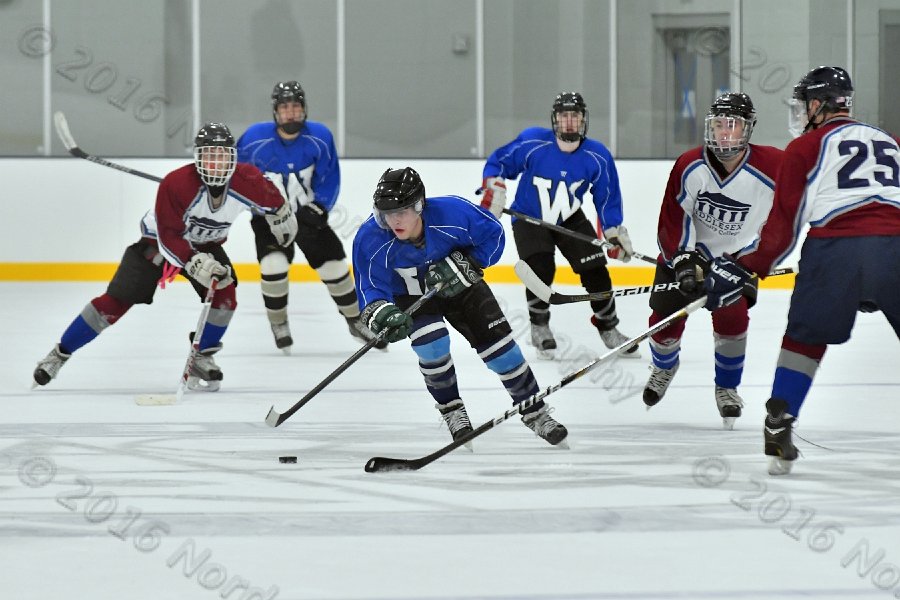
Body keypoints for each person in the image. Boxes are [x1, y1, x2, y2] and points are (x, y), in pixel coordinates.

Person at [702, 66, 900, 474]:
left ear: (817, 104)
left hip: (835, 248)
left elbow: (782, 231)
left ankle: (780, 417)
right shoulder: (889, 141)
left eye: (802, 104)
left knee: (804, 338)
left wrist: (747, 267)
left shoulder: (807, 147)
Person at [32, 123, 298, 390]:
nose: (216, 163)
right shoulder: (177, 184)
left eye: (222, 155)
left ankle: (201, 358)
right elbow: (169, 235)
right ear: (198, 158)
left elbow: (272, 199)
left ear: (233, 157)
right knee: (116, 301)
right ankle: (59, 353)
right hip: (158, 243)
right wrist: (192, 262)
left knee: (225, 296)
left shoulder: (247, 179)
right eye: (209, 155)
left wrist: (282, 213)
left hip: (206, 244)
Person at [352, 167, 568, 447]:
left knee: (503, 353)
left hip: (464, 289)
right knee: (432, 346)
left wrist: (471, 262)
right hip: (411, 297)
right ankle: (453, 411)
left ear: (419, 205)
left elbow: (494, 234)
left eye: (402, 211)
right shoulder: (370, 237)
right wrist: (380, 311)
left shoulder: (453, 213)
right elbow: (369, 285)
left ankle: (536, 413)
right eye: (386, 213)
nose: (394, 220)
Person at [642, 93, 783, 429]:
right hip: (689, 257)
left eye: (732, 126)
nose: (724, 133)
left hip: (736, 261)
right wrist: (684, 260)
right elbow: (672, 219)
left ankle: (727, 388)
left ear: (748, 130)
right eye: (719, 124)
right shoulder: (690, 164)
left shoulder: (775, 167)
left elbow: (785, 219)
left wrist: (753, 259)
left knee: (732, 319)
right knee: (664, 321)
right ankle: (664, 367)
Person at [479, 91, 638, 361]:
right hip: (529, 217)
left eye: (574, 116)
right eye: (564, 116)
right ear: (555, 120)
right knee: (540, 267)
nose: (569, 122)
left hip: (569, 217)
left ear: (583, 120)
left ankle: (608, 326)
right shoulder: (533, 142)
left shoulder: (597, 156)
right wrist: (494, 184)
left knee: (596, 269)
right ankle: (539, 326)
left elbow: (607, 196)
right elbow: (499, 161)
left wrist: (613, 231)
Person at [237, 81, 384, 354]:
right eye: (284, 107)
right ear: (275, 111)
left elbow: (329, 178)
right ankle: (278, 323)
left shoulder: (319, 136)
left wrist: (319, 207)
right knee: (273, 267)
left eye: (295, 106)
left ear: (304, 109)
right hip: (270, 219)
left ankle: (356, 320)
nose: (290, 113)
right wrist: (256, 205)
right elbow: (239, 176)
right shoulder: (254, 139)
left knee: (336, 269)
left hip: (308, 216)